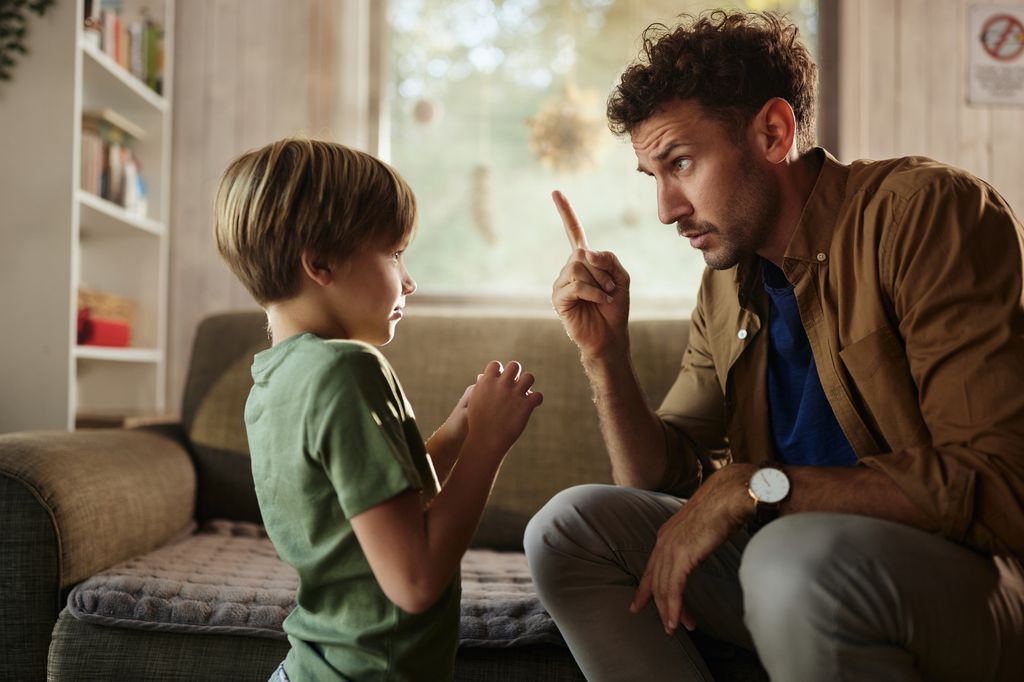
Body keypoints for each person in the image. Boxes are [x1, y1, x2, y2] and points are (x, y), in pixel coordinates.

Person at [525, 10, 1024, 681]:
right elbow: (659, 482)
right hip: (785, 564)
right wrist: (604, 355)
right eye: (654, 178)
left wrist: (760, 487)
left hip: (968, 576)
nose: (667, 209)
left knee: (788, 557)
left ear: (773, 132)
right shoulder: (729, 282)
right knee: (568, 528)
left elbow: (999, 487)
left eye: (681, 163)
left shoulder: (925, 212)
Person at [214, 138, 543, 681]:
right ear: (319, 262)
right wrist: (489, 442)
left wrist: (457, 432)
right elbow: (414, 582)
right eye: (393, 253)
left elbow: (377, 503)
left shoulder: (273, 382)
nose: (409, 280)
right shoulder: (348, 370)